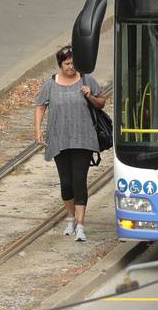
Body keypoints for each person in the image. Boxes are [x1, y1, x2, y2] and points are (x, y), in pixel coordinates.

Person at [34, 45, 108, 242]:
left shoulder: (86, 79)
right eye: (67, 63)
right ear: (60, 65)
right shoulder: (50, 84)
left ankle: (81, 225)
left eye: (74, 63)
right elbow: (40, 106)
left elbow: (101, 102)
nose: (71, 67)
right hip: (59, 138)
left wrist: (89, 95)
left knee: (79, 180)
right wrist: (37, 130)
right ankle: (71, 218)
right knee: (66, 183)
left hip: (82, 138)